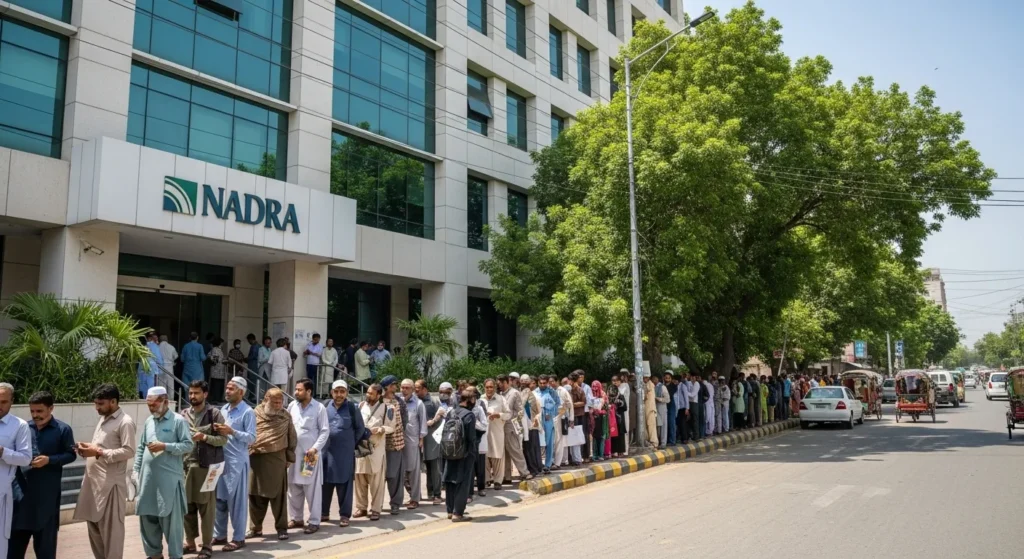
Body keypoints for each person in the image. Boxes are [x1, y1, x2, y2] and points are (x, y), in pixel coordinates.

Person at [9, 391, 75, 559]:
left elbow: (71, 454)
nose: (35, 415)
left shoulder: (63, 429)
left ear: (51, 408)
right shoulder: (23, 428)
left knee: (45, 552)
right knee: (13, 551)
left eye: (40, 411)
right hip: (21, 499)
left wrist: (49, 460)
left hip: (46, 500)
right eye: (32, 411)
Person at [74, 383, 136, 559]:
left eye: (100, 404)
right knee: (94, 530)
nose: (97, 408)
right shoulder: (103, 418)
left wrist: (99, 452)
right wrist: (88, 448)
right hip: (93, 484)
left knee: (111, 534)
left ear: (113, 402)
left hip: (111, 487)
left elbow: (129, 451)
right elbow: (101, 446)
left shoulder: (125, 422)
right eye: (96, 403)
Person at [134, 386, 194, 559]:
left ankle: (175, 555)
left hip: (168, 483)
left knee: (172, 525)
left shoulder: (178, 421)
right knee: (147, 521)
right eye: (149, 405)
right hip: (147, 482)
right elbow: (141, 447)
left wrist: (165, 446)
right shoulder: (148, 421)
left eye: (154, 405)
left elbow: (188, 445)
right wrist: (136, 471)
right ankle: (154, 555)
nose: (151, 408)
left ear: (165, 402)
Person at [180, 380, 226, 559]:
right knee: (187, 506)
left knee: (206, 507)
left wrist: (205, 437)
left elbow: (223, 440)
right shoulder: (183, 414)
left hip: (207, 467)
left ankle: (207, 545)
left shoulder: (214, 414)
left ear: (205, 394)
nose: (192, 396)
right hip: (186, 466)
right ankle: (190, 542)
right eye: (191, 393)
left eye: (196, 393)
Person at [211, 377, 255, 552]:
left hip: (237, 462)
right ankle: (220, 535)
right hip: (222, 461)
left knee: (237, 503)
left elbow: (252, 437)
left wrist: (232, 431)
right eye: (227, 388)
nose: (227, 391)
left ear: (241, 392)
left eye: (231, 389)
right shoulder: (224, 409)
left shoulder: (247, 412)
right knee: (220, 500)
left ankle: (238, 538)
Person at [248, 388, 297, 541]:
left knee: (279, 497)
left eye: (280, 402)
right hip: (256, 459)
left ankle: (282, 528)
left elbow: (292, 438)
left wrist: (289, 458)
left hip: (277, 460)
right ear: (266, 398)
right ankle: (255, 528)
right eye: (274, 401)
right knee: (255, 496)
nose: (277, 405)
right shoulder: (254, 414)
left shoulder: (285, 416)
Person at [287, 378, 330, 534]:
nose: (296, 392)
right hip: (293, 456)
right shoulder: (292, 406)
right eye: (296, 389)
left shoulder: (319, 408)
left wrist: (315, 448)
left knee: (311, 489)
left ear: (309, 391)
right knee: (293, 488)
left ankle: (314, 520)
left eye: (299, 390)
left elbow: (325, 431)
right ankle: (296, 518)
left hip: (308, 456)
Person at [322, 380, 366, 527]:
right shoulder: (324, 407)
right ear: (331, 392)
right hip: (326, 453)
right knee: (325, 483)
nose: (339, 394)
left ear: (346, 393)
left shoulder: (353, 409)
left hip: (345, 454)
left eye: (342, 391)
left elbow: (360, 429)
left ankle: (344, 515)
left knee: (345, 485)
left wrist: (350, 443)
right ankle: (323, 513)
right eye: (336, 391)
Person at [354, 383, 396, 521]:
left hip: (376, 449)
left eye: (371, 393)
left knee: (376, 482)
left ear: (378, 395)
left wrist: (381, 429)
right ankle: (361, 507)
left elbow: (391, 427)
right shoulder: (361, 406)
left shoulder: (388, 408)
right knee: (360, 480)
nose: (368, 395)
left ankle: (376, 509)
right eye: (367, 392)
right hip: (361, 448)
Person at [443, 389, 484, 522]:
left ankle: (449, 511)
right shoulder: (469, 415)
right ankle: (458, 513)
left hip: (449, 451)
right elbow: (471, 438)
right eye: (473, 399)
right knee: (463, 482)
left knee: (450, 480)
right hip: (464, 453)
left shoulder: (451, 412)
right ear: (469, 400)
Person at [0, 384, 30, 559]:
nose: (0, 405)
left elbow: (26, 458)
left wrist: (4, 452)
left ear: (12, 402)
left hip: (3, 495)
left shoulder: (19, 426)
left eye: (4, 402)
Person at [378, 376, 407, 514]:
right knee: (378, 477)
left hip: (395, 444)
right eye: (394, 385)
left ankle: (395, 503)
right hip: (379, 444)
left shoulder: (399, 401)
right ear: (387, 387)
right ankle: (376, 505)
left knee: (394, 476)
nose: (396, 387)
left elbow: (404, 421)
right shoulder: (378, 401)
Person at [397, 379, 427, 509]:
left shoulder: (419, 404)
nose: (404, 390)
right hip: (398, 440)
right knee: (400, 471)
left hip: (412, 441)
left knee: (413, 471)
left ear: (412, 389)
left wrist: (421, 440)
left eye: (407, 388)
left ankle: (415, 499)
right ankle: (406, 497)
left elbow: (423, 423)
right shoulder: (397, 401)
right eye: (402, 387)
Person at [479, 379, 510, 489]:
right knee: (485, 456)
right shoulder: (480, 399)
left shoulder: (501, 399)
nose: (489, 389)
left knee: (498, 456)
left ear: (495, 388)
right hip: (483, 432)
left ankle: (498, 480)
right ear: (484, 387)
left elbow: (508, 414)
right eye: (487, 387)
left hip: (496, 431)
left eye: (491, 387)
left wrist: (499, 415)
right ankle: (486, 479)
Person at [498, 375, 530, 483]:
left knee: (515, 450)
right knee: (504, 453)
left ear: (506, 382)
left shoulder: (514, 393)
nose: (499, 386)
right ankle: (507, 477)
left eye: (500, 383)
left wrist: (515, 423)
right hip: (501, 426)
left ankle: (525, 473)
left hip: (511, 426)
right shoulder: (501, 394)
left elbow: (520, 411)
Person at [420, 380, 446, 505]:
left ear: (425, 389)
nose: (416, 391)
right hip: (420, 440)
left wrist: (433, 421)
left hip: (432, 438)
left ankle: (437, 494)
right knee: (426, 467)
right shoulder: (416, 402)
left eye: (418, 388)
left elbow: (441, 412)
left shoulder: (434, 400)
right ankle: (429, 492)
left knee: (435, 467)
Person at [519, 375, 543, 476]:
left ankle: (534, 469)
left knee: (530, 447)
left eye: (526, 381)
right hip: (527, 424)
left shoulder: (527, 392)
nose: (523, 382)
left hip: (531, 424)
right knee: (530, 447)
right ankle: (535, 468)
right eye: (522, 381)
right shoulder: (526, 392)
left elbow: (523, 405)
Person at [137, 333, 161, 399]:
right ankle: (150, 398)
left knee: (143, 384)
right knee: (150, 385)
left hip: (142, 367)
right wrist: (160, 366)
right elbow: (158, 358)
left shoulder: (140, 347)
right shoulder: (153, 346)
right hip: (151, 368)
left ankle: (145, 398)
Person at [609, 378, 628, 457]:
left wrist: (619, 403)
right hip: (612, 418)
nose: (612, 392)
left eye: (616, 380)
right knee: (613, 434)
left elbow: (625, 407)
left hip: (619, 418)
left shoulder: (620, 396)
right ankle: (613, 451)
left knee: (620, 434)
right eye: (613, 380)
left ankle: (620, 451)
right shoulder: (608, 397)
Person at [590, 380, 608, 460]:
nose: (594, 388)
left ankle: (601, 455)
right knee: (594, 437)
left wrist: (601, 411)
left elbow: (607, 407)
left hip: (602, 418)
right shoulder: (590, 394)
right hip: (593, 418)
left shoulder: (603, 394)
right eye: (593, 386)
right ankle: (594, 455)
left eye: (596, 386)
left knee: (601, 437)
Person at [208, 338, 227, 402]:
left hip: (220, 372)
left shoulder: (218, 350)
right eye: (221, 343)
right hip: (216, 371)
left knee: (219, 385)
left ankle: (218, 399)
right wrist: (224, 361)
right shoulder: (215, 350)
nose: (222, 344)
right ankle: (215, 399)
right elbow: (215, 360)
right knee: (216, 386)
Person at [673, 374, 690, 444]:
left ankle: (685, 438)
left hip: (683, 407)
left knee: (683, 424)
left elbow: (686, 397)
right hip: (677, 408)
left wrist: (687, 408)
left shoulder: (683, 386)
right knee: (678, 423)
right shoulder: (675, 386)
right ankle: (679, 437)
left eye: (675, 380)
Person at [654, 375, 669, 448]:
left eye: (654, 378)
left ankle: (663, 443)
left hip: (661, 407)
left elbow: (667, 399)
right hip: (655, 407)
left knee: (663, 425)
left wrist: (658, 399)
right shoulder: (652, 386)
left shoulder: (662, 387)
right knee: (657, 425)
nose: (653, 380)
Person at [644, 375, 659, 447]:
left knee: (651, 426)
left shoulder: (650, 385)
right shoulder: (647, 384)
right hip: (646, 409)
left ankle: (654, 443)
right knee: (646, 426)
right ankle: (649, 441)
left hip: (650, 409)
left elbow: (645, 395)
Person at [663, 372, 677, 446]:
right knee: (665, 423)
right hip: (664, 405)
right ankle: (667, 440)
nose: (667, 379)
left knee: (671, 423)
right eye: (666, 378)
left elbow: (669, 394)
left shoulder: (673, 386)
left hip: (671, 404)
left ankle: (672, 440)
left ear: (671, 379)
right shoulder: (662, 385)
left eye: (669, 378)